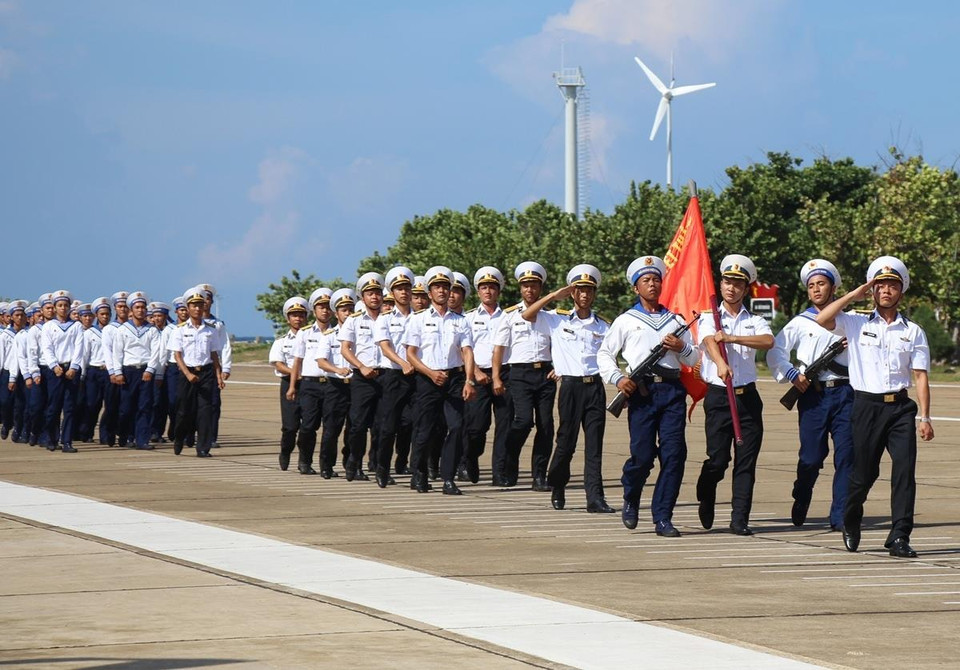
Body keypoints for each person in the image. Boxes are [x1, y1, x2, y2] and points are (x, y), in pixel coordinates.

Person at [815, 256, 933, 558]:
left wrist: (924, 416)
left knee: (905, 471)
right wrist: (854, 294)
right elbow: (822, 319)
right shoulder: (854, 322)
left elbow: (920, 375)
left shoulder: (913, 331)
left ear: (901, 291)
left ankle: (899, 536)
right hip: (866, 406)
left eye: (893, 285)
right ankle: (851, 519)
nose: (886, 291)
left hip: (900, 409)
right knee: (864, 474)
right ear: (873, 290)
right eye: (880, 285)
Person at [599, 257, 700, 533]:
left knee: (674, 454)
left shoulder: (677, 320)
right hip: (641, 392)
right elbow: (605, 354)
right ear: (636, 288)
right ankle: (631, 494)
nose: (652, 284)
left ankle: (663, 516)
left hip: (672, 392)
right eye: (646, 280)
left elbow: (694, 358)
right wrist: (618, 379)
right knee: (642, 456)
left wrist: (681, 347)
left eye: (656, 279)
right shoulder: (625, 320)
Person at [525, 264, 617, 514]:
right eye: (579, 290)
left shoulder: (603, 326)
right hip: (570, 388)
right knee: (566, 443)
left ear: (594, 293)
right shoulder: (557, 319)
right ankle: (557, 484)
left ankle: (595, 498)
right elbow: (528, 315)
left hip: (594, 387)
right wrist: (554, 295)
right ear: (572, 293)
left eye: (589, 290)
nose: (584, 295)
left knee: (594, 445)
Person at [768, 259, 853, 531]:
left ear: (833, 287)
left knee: (847, 456)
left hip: (846, 394)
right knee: (812, 457)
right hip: (813, 396)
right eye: (812, 285)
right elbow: (776, 351)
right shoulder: (800, 322)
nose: (817, 289)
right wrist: (792, 374)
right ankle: (802, 491)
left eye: (822, 284)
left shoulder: (849, 320)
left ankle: (839, 515)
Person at [696, 254, 774, 536]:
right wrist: (719, 362)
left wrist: (733, 338)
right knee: (718, 459)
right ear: (721, 283)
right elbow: (708, 341)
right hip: (719, 398)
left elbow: (768, 341)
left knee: (746, 462)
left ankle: (739, 518)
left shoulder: (755, 320)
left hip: (747, 398)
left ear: (746, 288)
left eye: (737, 283)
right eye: (727, 281)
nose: (731, 288)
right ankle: (706, 488)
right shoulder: (708, 317)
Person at [403, 265, 476, 494]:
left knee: (456, 427)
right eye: (437, 287)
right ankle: (420, 471)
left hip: (454, 378)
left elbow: (467, 351)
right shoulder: (418, 319)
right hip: (428, 379)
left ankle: (448, 477)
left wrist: (469, 380)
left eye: (445, 287)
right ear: (429, 292)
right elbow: (410, 354)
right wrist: (429, 373)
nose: (442, 291)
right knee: (425, 429)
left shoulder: (460, 320)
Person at [492, 261, 555, 489]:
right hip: (518, 373)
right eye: (526, 286)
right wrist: (497, 377)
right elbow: (498, 348)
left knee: (546, 425)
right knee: (523, 421)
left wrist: (558, 367)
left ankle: (539, 475)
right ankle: (509, 462)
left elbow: (559, 346)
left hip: (545, 374)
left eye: (534, 285)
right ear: (520, 289)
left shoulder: (551, 317)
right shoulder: (509, 315)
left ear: (540, 288)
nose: (530, 290)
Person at [462, 266, 510, 485]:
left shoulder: (509, 316)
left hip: (504, 374)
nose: (488, 291)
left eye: (492, 287)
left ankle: (499, 472)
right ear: (478, 291)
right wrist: (476, 373)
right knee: (477, 426)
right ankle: (470, 458)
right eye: (484, 287)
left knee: (505, 425)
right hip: (478, 374)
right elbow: (463, 349)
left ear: (498, 291)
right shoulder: (469, 318)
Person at [373, 266, 416, 488]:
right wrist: (402, 363)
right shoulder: (385, 319)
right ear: (392, 291)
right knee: (388, 426)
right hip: (394, 376)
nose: (404, 292)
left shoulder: (420, 317)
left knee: (414, 424)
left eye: (407, 287)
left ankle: (413, 466)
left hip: (418, 376)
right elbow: (385, 346)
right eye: (399, 288)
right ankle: (382, 468)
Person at [339, 272, 384, 481]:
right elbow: (346, 349)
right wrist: (361, 366)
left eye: (377, 292)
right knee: (358, 425)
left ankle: (379, 466)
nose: (374, 297)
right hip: (362, 377)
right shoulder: (353, 321)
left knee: (383, 425)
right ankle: (354, 462)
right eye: (369, 293)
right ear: (362, 297)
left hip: (386, 375)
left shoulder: (389, 319)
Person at [170, 290, 224, 457]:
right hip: (187, 373)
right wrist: (187, 374)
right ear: (188, 307)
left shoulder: (211, 330)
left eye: (200, 305)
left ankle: (203, 447)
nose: (197, 309)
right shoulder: (179, 330)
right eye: (194, 305)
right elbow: (177, 355)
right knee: (184, 411)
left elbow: (214, 354)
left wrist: (219, 375)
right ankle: (179, 438)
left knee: (205, 411)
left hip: (206, 373)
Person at [111, 291, 162, 450]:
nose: (141, 310)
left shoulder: (152, 330)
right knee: (126, 408)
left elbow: (156, 352)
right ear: (131, 311)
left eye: (143, 307)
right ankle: (126, 435)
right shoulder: (122, 330)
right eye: (137, 307)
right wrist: (118, 372)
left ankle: (142, 440)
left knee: (144, 406)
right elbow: (117, 353)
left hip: (145, 371)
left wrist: (150, 369)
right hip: (128, 371)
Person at [315, 288, 357, 478]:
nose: (348, 313)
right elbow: (321, 360)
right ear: (336, 313)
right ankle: (326, 465)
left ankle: (352, 464)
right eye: (343, 310)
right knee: (332, 428)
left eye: (350, 309)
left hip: (356, 385)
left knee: (355, 428)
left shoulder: (361, 333)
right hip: (335, 386)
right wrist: (337, 369)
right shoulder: (329, 335)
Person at [40, 290, 85, 452]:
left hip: (71, 370)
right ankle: (51, 438)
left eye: (66, 305)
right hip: (56, 370)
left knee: (70, 407)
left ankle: (67, 441)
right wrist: (54, 365)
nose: (63, 308)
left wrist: (74, 367)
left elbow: (79, 347)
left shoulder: (77, 326)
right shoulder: (48, 326)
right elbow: (47, 348)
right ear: (54, 307)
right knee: (53, 406)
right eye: (60, 305)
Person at [269, 296, 309, 471]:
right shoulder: (281, 341)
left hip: (309, 384)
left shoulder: (313, 338)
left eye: (301, 314)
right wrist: (295, 374)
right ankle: (285, 451)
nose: (298, 318)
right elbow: (278, 364)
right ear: (288, 318)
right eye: (294, 315)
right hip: (289, 385)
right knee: (290, 427)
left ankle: (304, 461)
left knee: (308, 426)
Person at [101, 291, 129, 446]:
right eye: (120, 306)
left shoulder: (132, 327)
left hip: (128, 370)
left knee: (127, 406)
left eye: (125, 306)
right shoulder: (110, 329)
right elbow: (108, 351)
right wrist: (112, 371)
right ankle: (109, 433)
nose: (123, 309)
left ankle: (125, 435)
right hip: (112, 372)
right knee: (111, 405)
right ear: (115, 308)